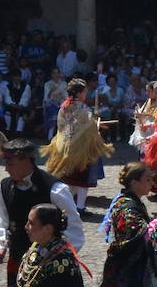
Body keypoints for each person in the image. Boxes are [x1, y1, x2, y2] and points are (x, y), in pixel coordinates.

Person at [0, 138, 84, 287]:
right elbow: (3, 222)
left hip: (49, 264)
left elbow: (74, 229)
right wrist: (0, 247)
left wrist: (57, 258)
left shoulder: (55, 190)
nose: (6, 169)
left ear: (26, 161)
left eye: (10, 164)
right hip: (18, 260)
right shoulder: (3, 188)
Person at [92, 162, 154, 287]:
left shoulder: (126, 201)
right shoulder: (128, 208)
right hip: (125, 270)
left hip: (121, 266)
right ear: (134, 183)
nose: (152, 183)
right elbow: (137, 235)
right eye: (147, 179)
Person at [41, 79, 114, 212]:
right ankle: (79, 207)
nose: (86, 93)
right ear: (79, 93)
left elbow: (63, 125)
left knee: (70, 179)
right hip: (81, 147)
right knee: (81, 179)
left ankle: (69, 205)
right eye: (85, 91)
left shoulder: (64, 105)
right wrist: (93, 122)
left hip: (65, 145)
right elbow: (86, 126)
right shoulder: (81, 107)